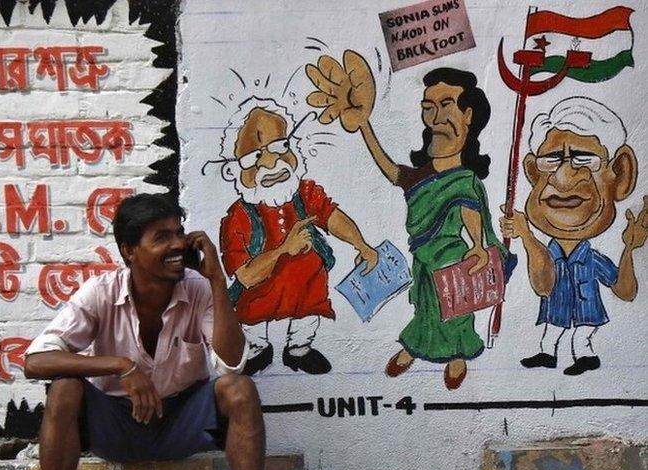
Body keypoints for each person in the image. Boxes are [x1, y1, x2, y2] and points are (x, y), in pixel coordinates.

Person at [24, 193, 264, 470]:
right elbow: (35, 361)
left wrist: (216, 280)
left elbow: (231, 364)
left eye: (179, 233)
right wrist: (120, 366)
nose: (178, 244)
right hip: (117, 425)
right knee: (64, 389)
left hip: (182, 420)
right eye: (162, 237)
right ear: (129, 251)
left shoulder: (198, 289)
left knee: (240, 389)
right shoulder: (100, 293)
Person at [306, 51, 512, 389]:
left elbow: (468, 208)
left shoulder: (465, 179)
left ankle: (458, 354)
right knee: (427, 309)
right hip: (424, 261)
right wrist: (364, 126)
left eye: (446, 105)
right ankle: (415, 347)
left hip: (454, 260)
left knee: (456, 311)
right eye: (428, 107)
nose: (436, 117)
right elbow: (390, 170)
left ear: (468, 114)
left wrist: (477, 245)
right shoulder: (420, 176)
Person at [215, 97, 379, 376]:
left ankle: (299, 350)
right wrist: (283, 250)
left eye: (279, 147)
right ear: (237, 169)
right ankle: (257, 349)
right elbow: (244, 276)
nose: (271, 162)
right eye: (255, 156)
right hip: (261, 293)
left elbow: (332, 216)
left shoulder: (304, 193)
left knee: (310, 307)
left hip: (307, 286)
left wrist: (360, 244)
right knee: (252, 318)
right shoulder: (238, 217)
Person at [501, 96, 646, 375]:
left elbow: (625, 291)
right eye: (552, 159)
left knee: (582, 337)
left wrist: (629, 248)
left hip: (586, 315)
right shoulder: (550, 255)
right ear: (532, 173)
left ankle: (585, 357)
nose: (564, 178)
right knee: (550, 335)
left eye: (583, 158)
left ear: (620, 175)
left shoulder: (592, 259)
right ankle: (548, 354)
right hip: (556, 314)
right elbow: (544, 286)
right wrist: (526, 236)